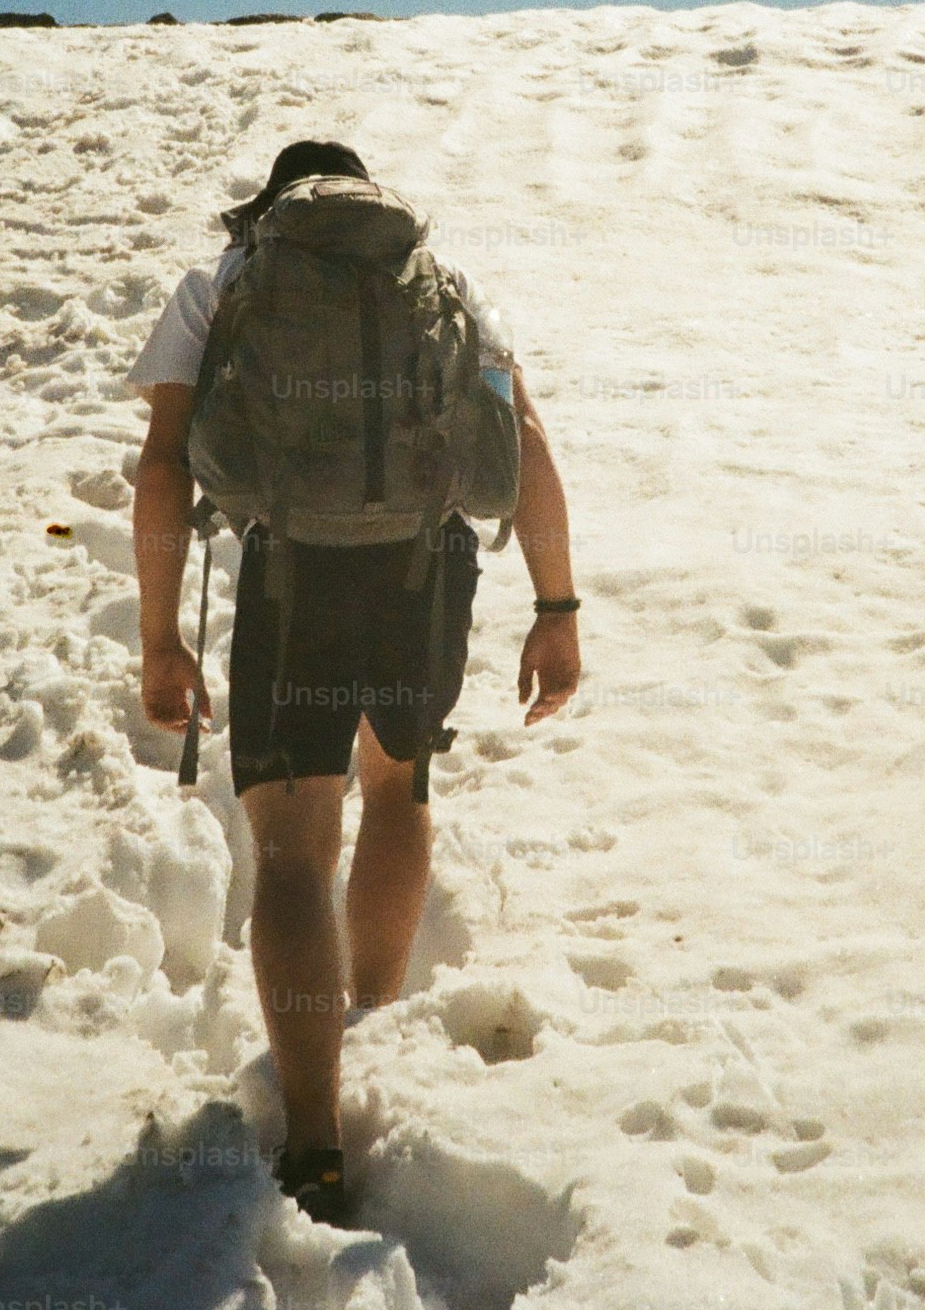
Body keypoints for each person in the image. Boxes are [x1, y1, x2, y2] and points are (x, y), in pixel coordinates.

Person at [129, 139, 582, 1229]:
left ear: (266, 212)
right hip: (423, 573)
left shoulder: (222, 285)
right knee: (396, 790)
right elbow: (521, 435)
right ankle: (370, 1020)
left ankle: (318, 1139)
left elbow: (163, 461)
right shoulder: (439, 284)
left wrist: (159, 635)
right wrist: (557, 609)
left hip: (293, 580)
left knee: (291, 847)